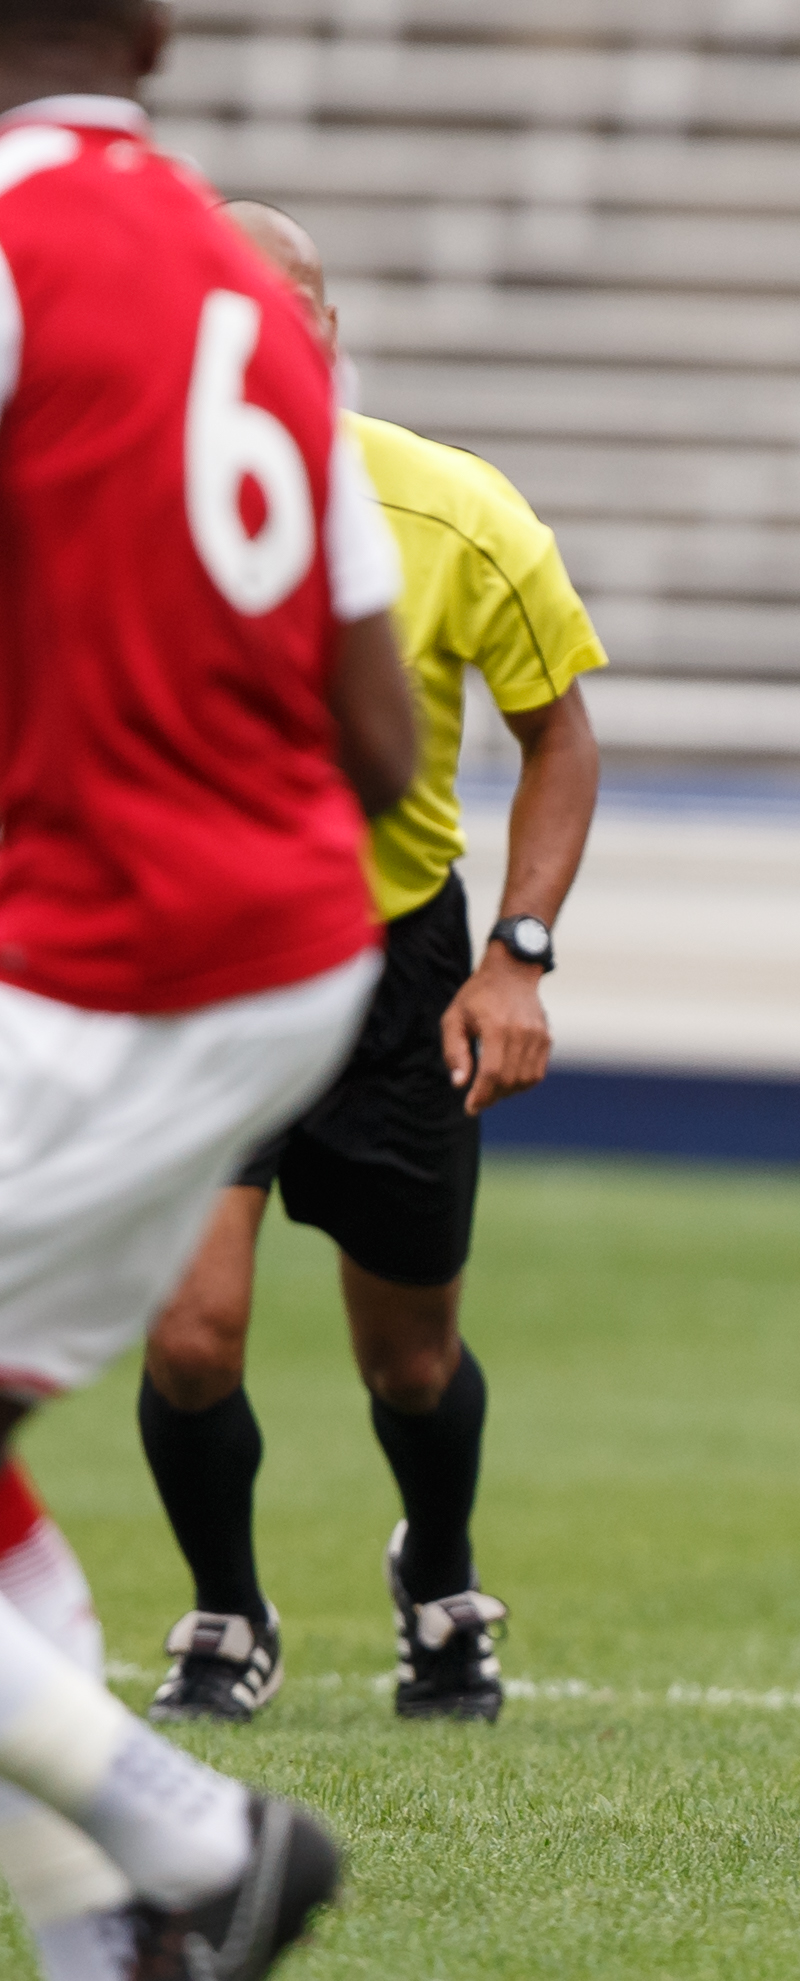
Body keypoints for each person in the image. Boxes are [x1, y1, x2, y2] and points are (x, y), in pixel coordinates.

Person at [0, 1, 422, 1970]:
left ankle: (188, 1839)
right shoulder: (240, 287)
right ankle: (123, 1937)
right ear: (153, 35)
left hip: (107, 955)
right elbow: (379, 737)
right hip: (274, 941)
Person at [139, 200, 606, 1731]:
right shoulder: (110, 503)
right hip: (199, 964)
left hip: (398, 970)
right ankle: (225, 1610)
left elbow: (558, 736)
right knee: (192, 1330)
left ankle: (441, 1578)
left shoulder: (449, 510)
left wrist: (518, 956)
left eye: (289, 317)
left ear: (327, 335)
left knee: (410, 1359)